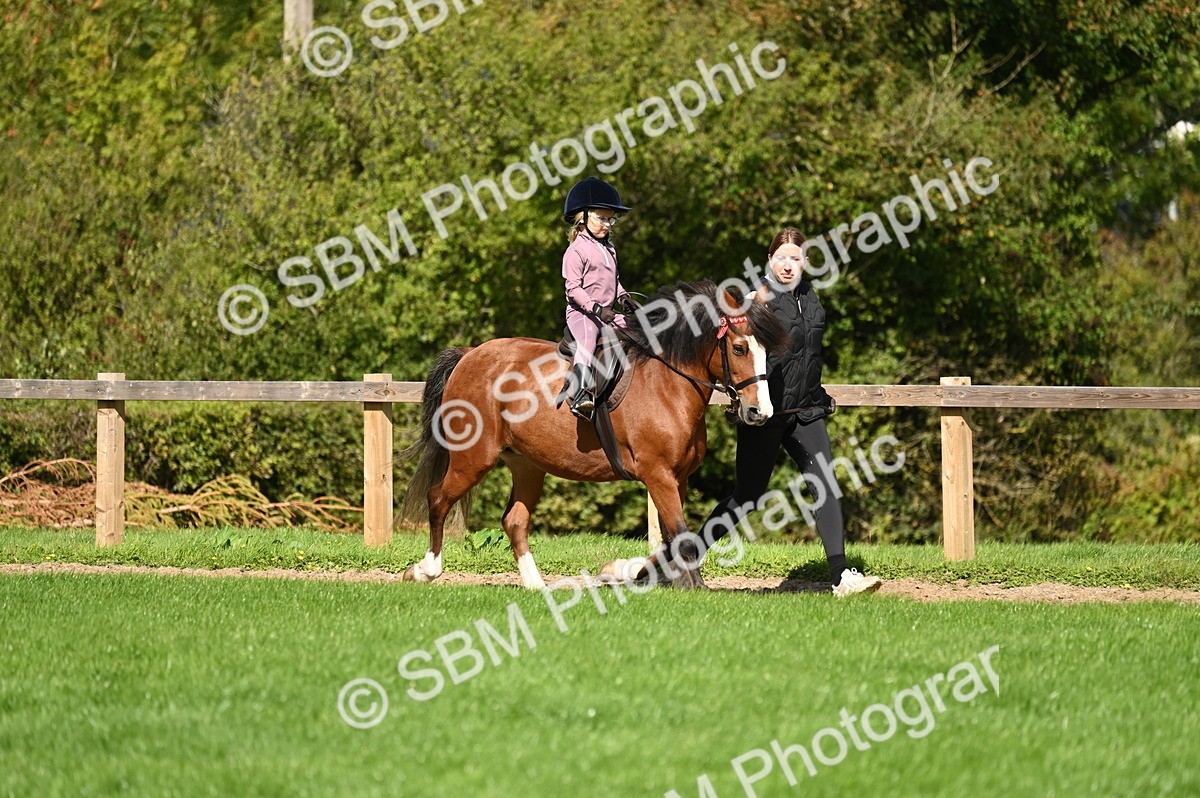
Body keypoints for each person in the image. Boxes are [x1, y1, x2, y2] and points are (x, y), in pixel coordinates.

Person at [699, 228, 882, 597]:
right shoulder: (756, 301)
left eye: (795, 258)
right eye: (781, 257)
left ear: (806, 262)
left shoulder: (812, 299)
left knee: (826, 485)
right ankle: (689, 556)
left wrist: (819, 393)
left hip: (807, 411)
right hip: (768, 414)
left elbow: (809, 356)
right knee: (747, 496)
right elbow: (736, 354)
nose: (787, 264)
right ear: (769, 261)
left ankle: (841, 576)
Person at [560, 176, 635, 420]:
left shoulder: (609, 249)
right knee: (589, 339)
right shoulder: (576, 250)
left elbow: (614, 282)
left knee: (640, 330)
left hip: (606, 314)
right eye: (601, 218)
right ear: (582, 217)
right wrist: (595, 308)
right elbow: (573, 288)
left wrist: (624, 298)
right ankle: (581, 394)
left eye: (611, 219)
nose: (608, 225)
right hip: (582, 315)